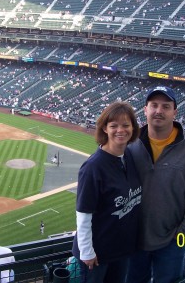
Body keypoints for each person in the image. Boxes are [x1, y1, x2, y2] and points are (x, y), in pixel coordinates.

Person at [126, 86, 185, 283]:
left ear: (175, 112)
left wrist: (182, 236)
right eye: (154, 105)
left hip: (172, 242)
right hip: (132, 239)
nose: (159, 110)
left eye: (165, 106)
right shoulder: (130, 143)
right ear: (145, 109)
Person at [72, 101, 142, 283]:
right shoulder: (93, 167)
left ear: (133, 128)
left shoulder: (130, 157)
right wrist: (87, 251)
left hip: (121, 249)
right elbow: (84, 213)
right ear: (104, 128)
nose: (121, 130)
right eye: (114, 125)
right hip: (97, 255)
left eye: (126, 125)